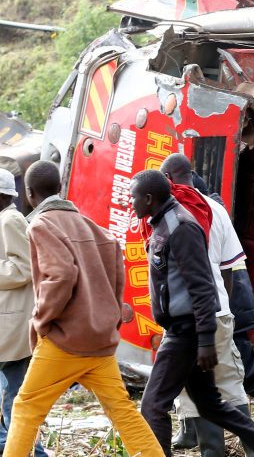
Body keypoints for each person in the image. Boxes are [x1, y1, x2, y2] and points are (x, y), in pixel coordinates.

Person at [129, 170, 254, 457]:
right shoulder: (163, 224)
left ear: (148, 198)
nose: (129, 202)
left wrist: (206, 339)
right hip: (186, 330)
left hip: (186, 332)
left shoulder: (180, 227)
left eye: (132, 197)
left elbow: (202, 286)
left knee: (153, 405)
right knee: (210, 404)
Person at [2, 161, 163, 456]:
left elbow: (61, 275)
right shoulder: (95, 228)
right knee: (123, 412)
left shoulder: (41, 224)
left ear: (28, 193)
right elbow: (117, 276)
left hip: (64, 342)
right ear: (59, 188)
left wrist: (40, 322)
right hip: (99, 342)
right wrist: (111, 320)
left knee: (25, 408)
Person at [0, 170, 47, 455]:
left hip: (13, 324)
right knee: (17, 394)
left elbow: (25, 268)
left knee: (16, 395)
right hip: (9, 322)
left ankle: (20, 447)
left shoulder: (10, 220)